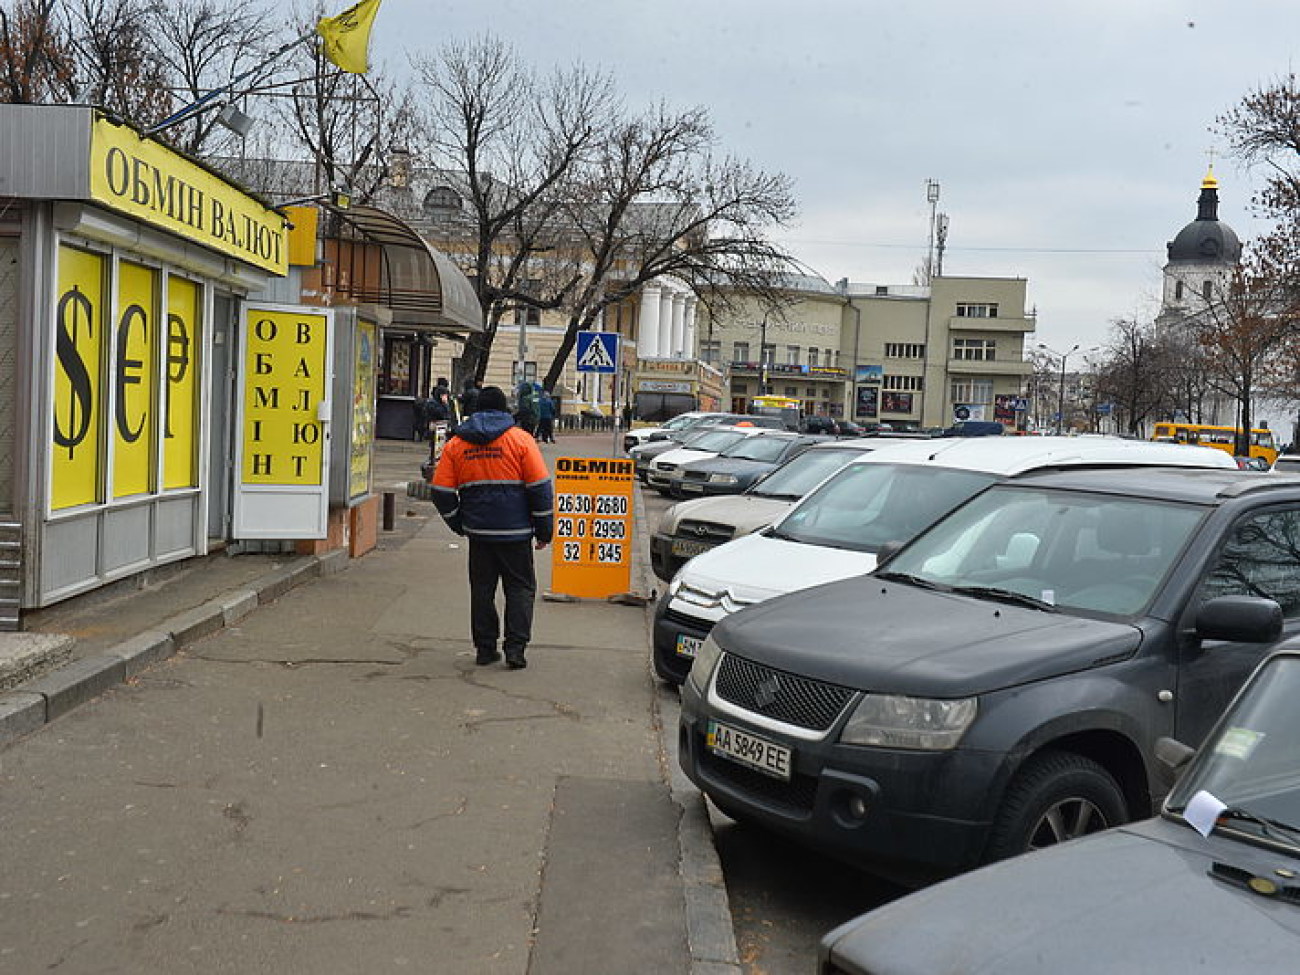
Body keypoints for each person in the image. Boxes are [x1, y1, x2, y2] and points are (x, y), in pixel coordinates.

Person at [431, 386, 553, 669]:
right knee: (520, 588)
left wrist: (458, 522)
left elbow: (440, 490)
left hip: (479, 534)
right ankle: (515, 649)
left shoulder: (456, 444)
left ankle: (485, 649)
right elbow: (540, 489)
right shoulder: (521, 441)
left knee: (482, 590)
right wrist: (544, 530)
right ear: (505, 409)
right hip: (516, 534)